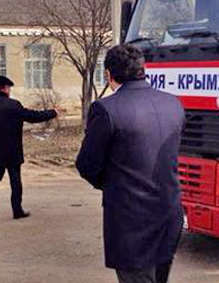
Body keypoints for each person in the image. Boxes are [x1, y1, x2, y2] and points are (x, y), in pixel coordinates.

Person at [76, 44, 185, 283]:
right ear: (142, 69)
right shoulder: (173, 104)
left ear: (108, 75)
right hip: (169, 212)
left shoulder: (106, 109)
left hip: (130, 220)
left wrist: (115, 184)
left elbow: (87, 164)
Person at [0, 75, 57, 219]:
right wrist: (52, 112)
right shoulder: (13, 105)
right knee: (15, 181)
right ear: (6, 89)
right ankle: (17, 210)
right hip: (12, 151)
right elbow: (32, 116)